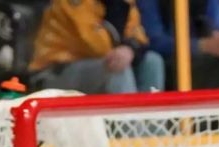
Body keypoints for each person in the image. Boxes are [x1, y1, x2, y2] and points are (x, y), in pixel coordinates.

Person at [29, 0, 165, 94]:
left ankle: (153, 134)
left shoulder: (123, 3)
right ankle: (130, 134)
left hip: (95, 67)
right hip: (56, 72)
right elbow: (96, 46)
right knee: (116, 69)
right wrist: (124, 51)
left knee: (152, 61)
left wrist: (130, 49)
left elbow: (139, 36)